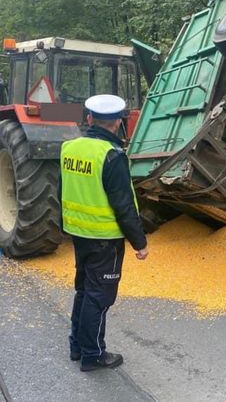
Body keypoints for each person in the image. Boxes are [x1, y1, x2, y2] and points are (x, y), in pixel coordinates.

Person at [59, 94, 149, 372]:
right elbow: (123, 205)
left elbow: (60, 190)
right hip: (105, 239)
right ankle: (93, 354)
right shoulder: (112, 155)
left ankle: (77, 345)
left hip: (78, 232)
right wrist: (139, 242)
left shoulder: (68, 148)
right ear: (119, 123)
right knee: (99, 297)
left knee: (84, 290)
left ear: (89, 119)